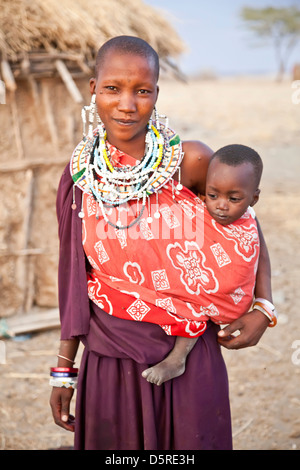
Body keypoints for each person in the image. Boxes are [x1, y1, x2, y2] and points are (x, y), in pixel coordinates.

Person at [50, 36, 274, 450]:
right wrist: (65, 370)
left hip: (188, 354)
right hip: (109, 355)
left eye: (143, 90)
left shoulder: (190, 161)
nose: (127, 105)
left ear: (157, 93)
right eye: (113, 88)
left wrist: (264, 305)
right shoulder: (80, 179)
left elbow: (247, 222)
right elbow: (73, 280)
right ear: (93, 89)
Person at [142, 144, 277, 386]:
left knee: (200, 304)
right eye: (213, 196)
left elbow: (248, 261)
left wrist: (264, 305)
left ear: (254, 198)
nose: (221, 205)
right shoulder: (197, 204)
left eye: (234, 199)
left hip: (207, 290)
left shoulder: (248, 225)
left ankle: (178, 358)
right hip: (174, 284)